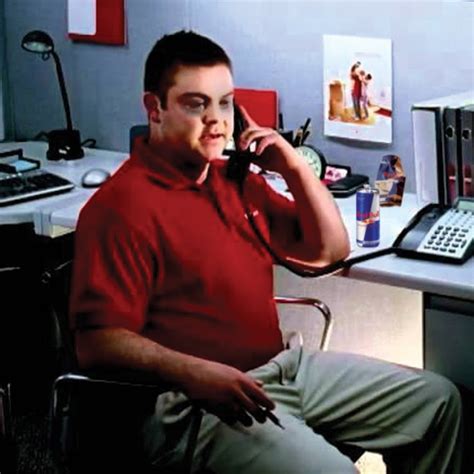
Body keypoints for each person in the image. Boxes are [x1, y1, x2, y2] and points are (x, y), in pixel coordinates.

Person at [70, 30, 463, 473]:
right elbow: (97, 343)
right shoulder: (121, 208)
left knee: (438, 404)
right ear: (154, 108)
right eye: (196, 105)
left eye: (225, 103)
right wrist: (194, 373)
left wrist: (292, 165)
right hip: (194, 402)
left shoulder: (235, 182)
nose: (216, 121)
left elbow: (330, 251)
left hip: (281, 370)